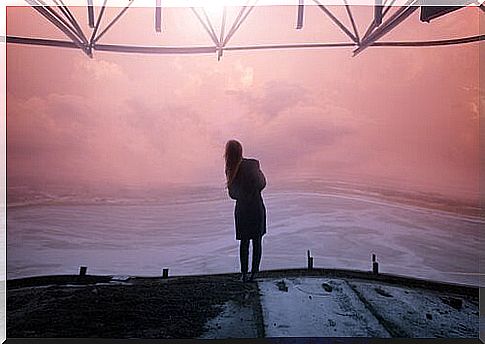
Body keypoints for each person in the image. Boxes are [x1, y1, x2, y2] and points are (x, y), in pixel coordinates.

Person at [224, 139, 267, 282]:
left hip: (242, 209)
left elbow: (233, 194)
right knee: (257, 242)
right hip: (256, 207)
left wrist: (243, 195)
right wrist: (252, 191)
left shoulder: (231, 169)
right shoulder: (253, 164)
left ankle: (244, 274)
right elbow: (262, 184)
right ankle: (254, 273)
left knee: (244, 243)